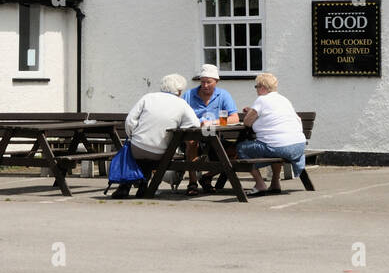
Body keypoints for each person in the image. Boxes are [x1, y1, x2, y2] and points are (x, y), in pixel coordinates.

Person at [116, 74, 200, 198]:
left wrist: (133, 136)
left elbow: (130, 120)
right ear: (180, 90)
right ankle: (144, 186)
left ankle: (124, 186)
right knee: (151, 155)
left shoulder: (148, 97)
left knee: (136, 152)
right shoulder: (181, 104)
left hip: (137, 147)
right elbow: (195, 124)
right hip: (160, 152)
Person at [238, 73, 307, 196]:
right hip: (299, 146)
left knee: (241, 148)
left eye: (256, 87)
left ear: (262, 87)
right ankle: (275, 183)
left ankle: (260, 184)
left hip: (280, 147)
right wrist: (254, 111)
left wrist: (252, 113)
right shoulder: (283, 99)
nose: (256, 90)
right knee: (275, 144)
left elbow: (247, 122)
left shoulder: (262, 99)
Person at [183, 64, 238, 194]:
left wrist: (214, 122)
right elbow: (179, 115)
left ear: (216, 81)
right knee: (191, 142)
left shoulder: (223, 95)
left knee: (237, 151)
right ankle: (192, 183)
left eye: (209, 82)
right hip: (193, 135)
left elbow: (234, 118)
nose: (205, 85)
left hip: (216, 136)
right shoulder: (189, 95)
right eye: (203, 82)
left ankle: (207, 177)